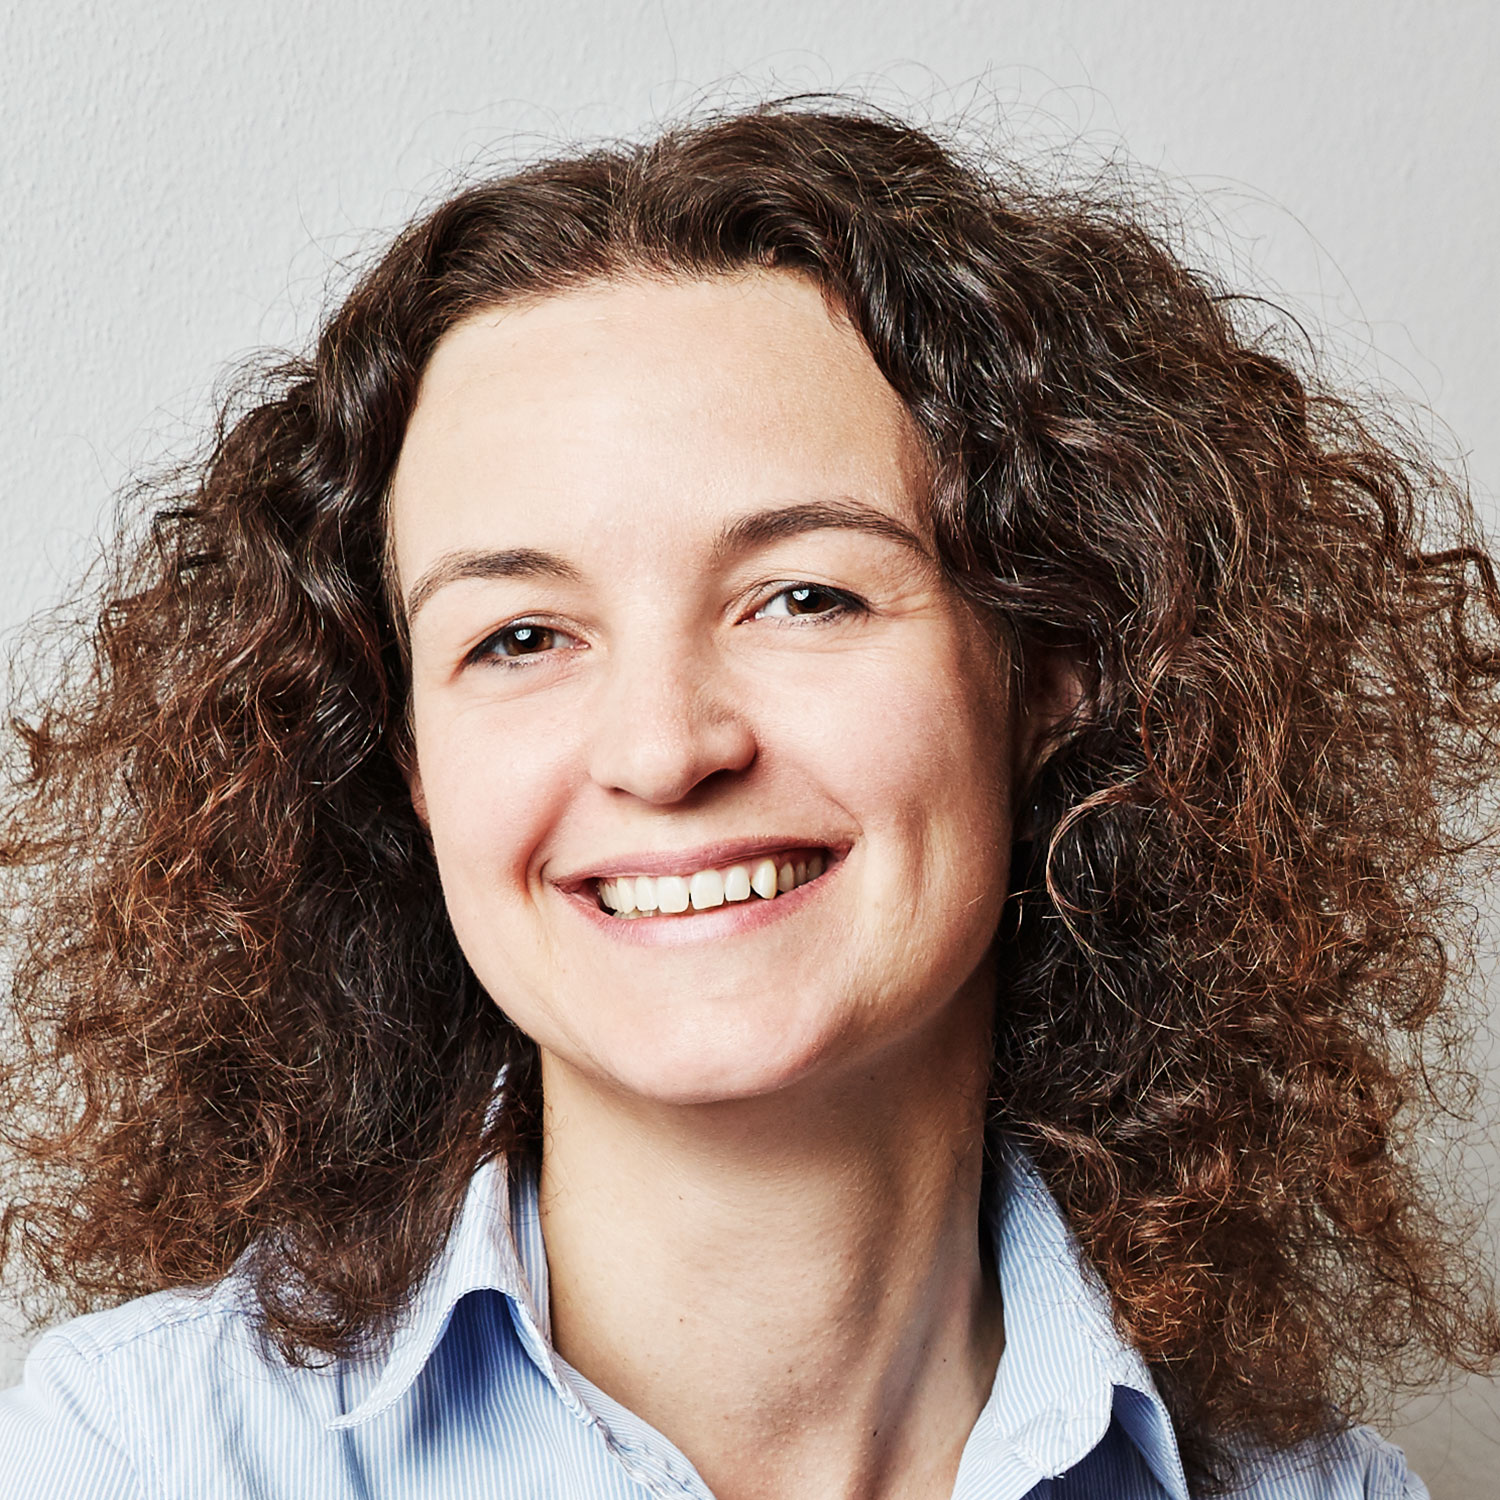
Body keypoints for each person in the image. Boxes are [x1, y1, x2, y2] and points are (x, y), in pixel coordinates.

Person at [1, 101, 1496, 1500]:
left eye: (805, 596)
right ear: (409, 760)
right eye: (518, 637)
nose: (664, 750)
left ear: (1053, 668)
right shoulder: (134, 1457)